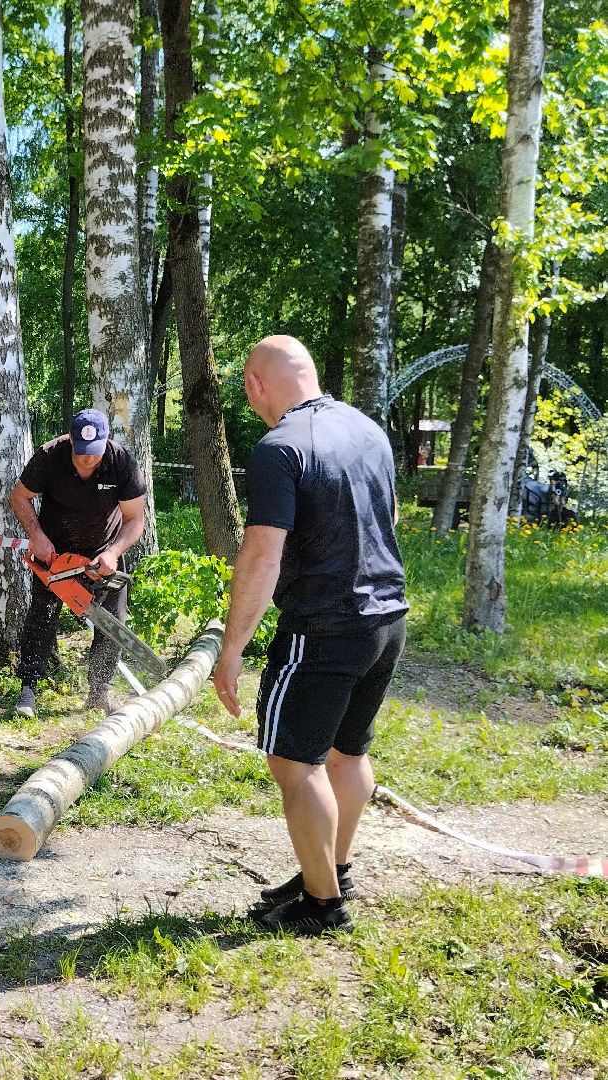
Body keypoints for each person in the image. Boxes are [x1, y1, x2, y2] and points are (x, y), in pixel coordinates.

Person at [212, 335, 408, 936]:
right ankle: (332, 868)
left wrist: (232, 649)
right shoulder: (369, 431)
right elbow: (390, 520)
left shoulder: (278, 449)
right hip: (387, 619)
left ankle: (322, 904)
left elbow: (262, 556)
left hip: (322, 628)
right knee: (350, 754)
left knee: (296, 765)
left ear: (255, 384)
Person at [9, 407, 147, 718]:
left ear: (106, 441)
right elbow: (19, 497)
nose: (88, 459)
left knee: (112, 622)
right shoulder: (49, 457)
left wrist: (113, 552)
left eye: (95, 453)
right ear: (71, 440)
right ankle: (28, 688)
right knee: (41, 616)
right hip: (55, 556)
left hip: (103, 555)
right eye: (82, 453)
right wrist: (37, 536)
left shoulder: (121, 462)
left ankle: (100, 691)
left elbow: (135, 518)